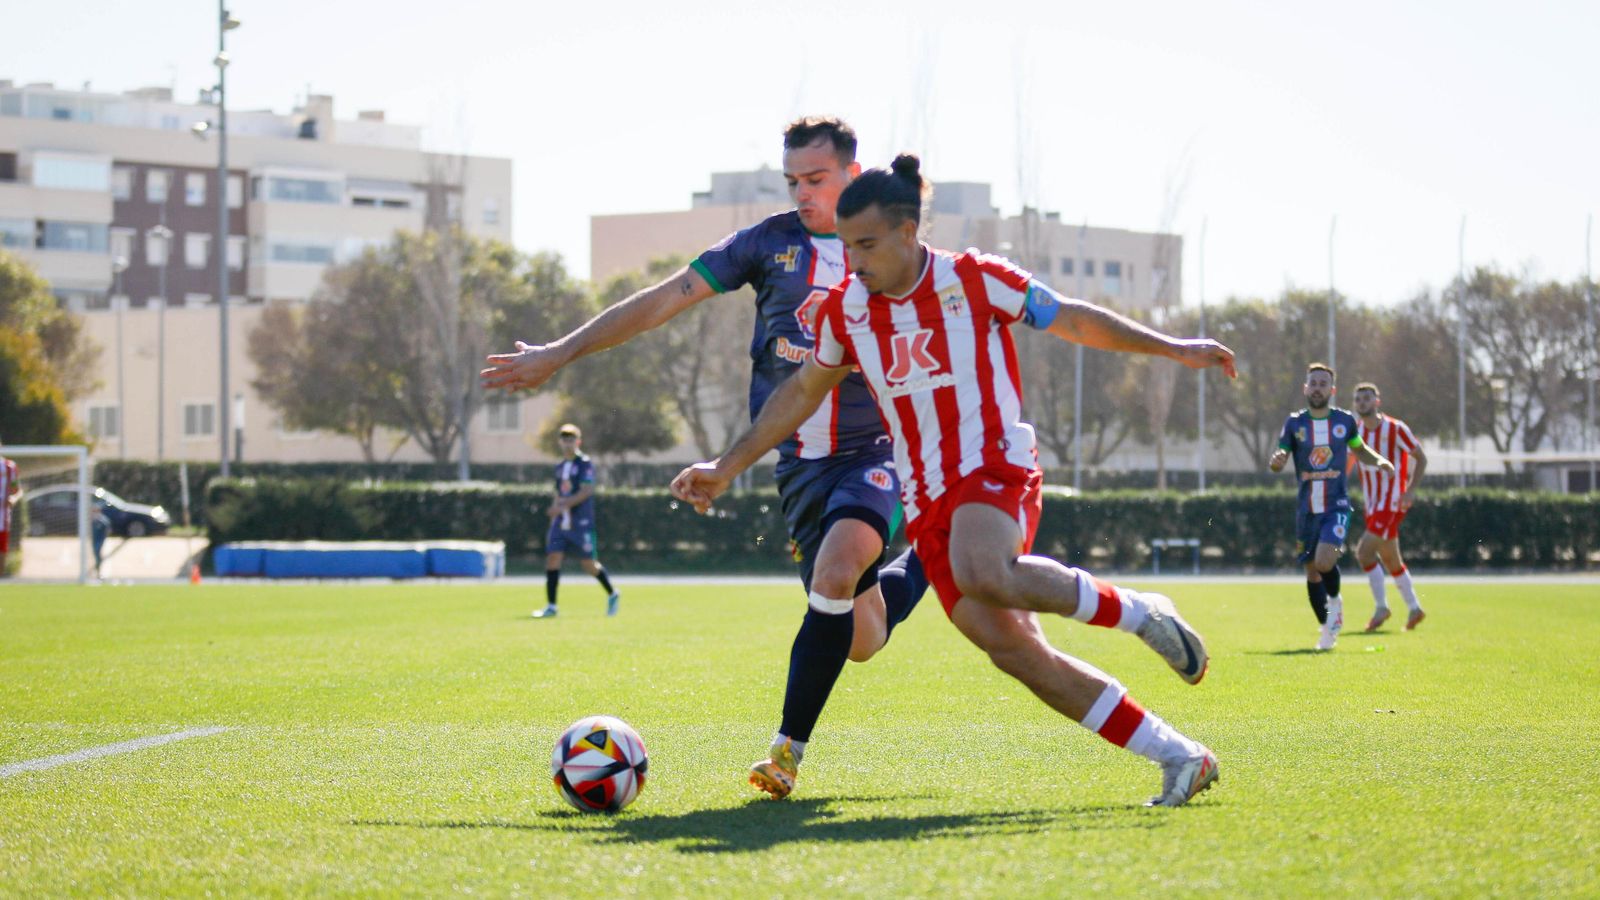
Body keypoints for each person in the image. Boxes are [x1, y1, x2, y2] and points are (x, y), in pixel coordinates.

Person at [672, 154, 1237, 807]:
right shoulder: (847, 311)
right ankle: (1180, 755)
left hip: (994, 465)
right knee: (1015, 650)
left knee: (982, 569)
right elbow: (802, 391)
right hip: (926, 498)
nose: (853, 261)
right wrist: (725, 466)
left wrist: (1172, 347)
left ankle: (1139, 612)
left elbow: (1073, 318)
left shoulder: (975, 279)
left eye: (866, 245)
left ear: (908, 231)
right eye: (846, 246)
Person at [482, 117, 929, 799]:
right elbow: (664, 299)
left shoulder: (887, 252)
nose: (803, 193)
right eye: (793, 181)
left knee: (838, 571)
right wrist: (559, 352)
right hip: (797, 465)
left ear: (852, 172)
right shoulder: (767, 244)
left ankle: (785, 753)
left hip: (877, 450)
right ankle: (933, 552)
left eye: (816, 179)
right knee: (862, 638)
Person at [1268, 364, 1395, 650]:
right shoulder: (1294, 424)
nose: (1317, 388)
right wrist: (1276, 461)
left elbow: (1359, 449)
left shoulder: (1344, 421)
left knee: (1324, 562)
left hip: (1335, 505)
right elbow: (1281, 456)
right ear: (1305, 388)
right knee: (1312, 572)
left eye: (1323, 384)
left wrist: (1380, 461)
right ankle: (1327, 629)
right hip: (1306, 509)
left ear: (1332, 390)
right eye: (1313, 383)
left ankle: (1335, 601)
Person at [1351, 382, 1427, 631]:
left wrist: (1411, 489)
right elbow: (1348, 462)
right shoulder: (1356, 431)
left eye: (1367, 398)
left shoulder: (1396, 428)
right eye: (1358, 399)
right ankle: (1415, 608)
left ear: (1377, 401)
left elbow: (1421, 458)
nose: (1362, 402)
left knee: (1364, 553)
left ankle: (1381, 607)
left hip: (1392, 502)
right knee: (1391, 559)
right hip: (1372, 504)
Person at [533, 423, 621, 618]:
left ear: (578, 442)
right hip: (560, 523)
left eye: (571, 439)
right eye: (564, 439)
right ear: (560, 442)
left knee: (588, 564)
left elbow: (586, 491)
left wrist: (563, 506)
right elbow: (559, 493)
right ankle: (551, 606)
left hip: (580, 522)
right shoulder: (559, 467)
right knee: (553, 558)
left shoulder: (584, 463)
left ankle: (612, 593)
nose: (568, 443)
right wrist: (554, 514)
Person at [0, 455, 17, 575]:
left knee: (1, 559)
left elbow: (17, 490)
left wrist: (13, 498)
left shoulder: (9, 467)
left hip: (3, 520)